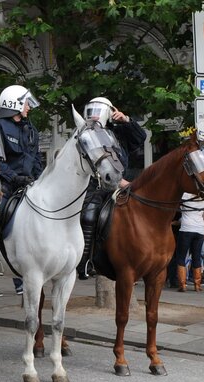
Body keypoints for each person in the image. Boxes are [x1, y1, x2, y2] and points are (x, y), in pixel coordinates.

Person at [76, 97, 146, 280]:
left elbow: (141, 138)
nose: (95, 114)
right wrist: (119, 181)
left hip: (121, 186)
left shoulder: (119, 133)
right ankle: (84, 262)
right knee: (89, 215)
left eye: (99, 110)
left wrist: (127, 120)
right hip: (96, 186)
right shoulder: (88, 133)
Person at [0, 85, 41, 296]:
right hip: (5, 185)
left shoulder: (30, 129)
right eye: (26, 103)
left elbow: (36, 160)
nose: (29, 108)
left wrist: (39, 181)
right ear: (14, 103)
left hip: (29, 185)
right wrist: (14, 178)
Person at [174, 193, 204, 292]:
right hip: (199, 230)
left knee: (181, 257)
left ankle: (182, 285)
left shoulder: (184, 196)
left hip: (186, 229)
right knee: (196, 257)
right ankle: (197, 285)